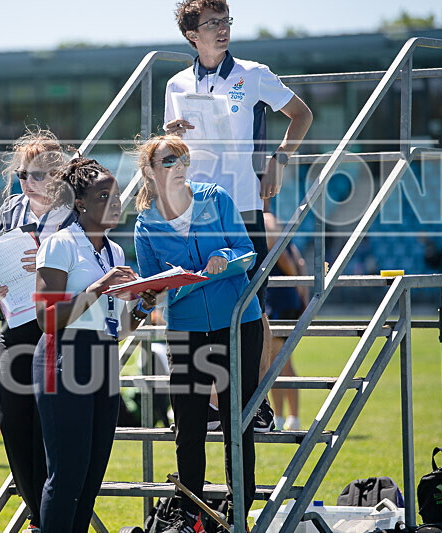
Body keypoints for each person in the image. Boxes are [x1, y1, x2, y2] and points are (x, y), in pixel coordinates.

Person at [164, 0, 313, 432]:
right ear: (193, 34)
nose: (222, 29)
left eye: (225, 20)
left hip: (244, 206)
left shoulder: (254, 73)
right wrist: (169, 137)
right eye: (211, 23)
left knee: (252, 308)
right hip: (197, 210)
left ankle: (257, 402)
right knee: (200, 305)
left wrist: (281, 160)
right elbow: (171, 154)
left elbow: (301, 114)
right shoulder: (176, 84)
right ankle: (211, 403)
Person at [134, 135, 263, 531]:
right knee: (188, 427)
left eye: (182, 157)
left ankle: (236, 512)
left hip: (238, 323)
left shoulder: (216, 197)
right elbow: (150, 287)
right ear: (150, 172)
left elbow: (247, 252)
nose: (178, 164)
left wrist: (226, 258)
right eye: (168, 159)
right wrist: (157, 292)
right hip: (185, 331)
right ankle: (189, 513)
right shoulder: (145, 223)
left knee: (235, 423)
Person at [33, 157, 159, 533]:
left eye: (117, 194)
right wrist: (97, 288)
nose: (116, 201)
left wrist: (142, 307)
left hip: (103, 359)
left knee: (90, 478)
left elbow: (117, 328)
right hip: (63, 359)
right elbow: (46, 319)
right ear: (80, 203)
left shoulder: (115, 252)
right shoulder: (59, 244)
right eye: (104, 195)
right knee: (67, 475)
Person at [0, 128, 73, 531]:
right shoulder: (11, 209)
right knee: (13, 423)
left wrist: (49, 266)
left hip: (56, 328)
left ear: (57, 175)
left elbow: (91, 263)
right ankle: (37, 516)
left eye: (34, 175)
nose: (25, 183)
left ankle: (48, 519)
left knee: (48, 426)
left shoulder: (74, 211)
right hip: (14, 324)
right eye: (21, 174)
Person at [263, 211, 308, 431]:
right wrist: (301, 292)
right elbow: (299, 259)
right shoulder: (277, 221)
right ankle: (290, 416)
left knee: (277, 362)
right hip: (286, 299)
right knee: (282, 361)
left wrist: (294, 283)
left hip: (279, 298)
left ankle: (282, 417)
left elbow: (282, 256)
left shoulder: (265, 219)